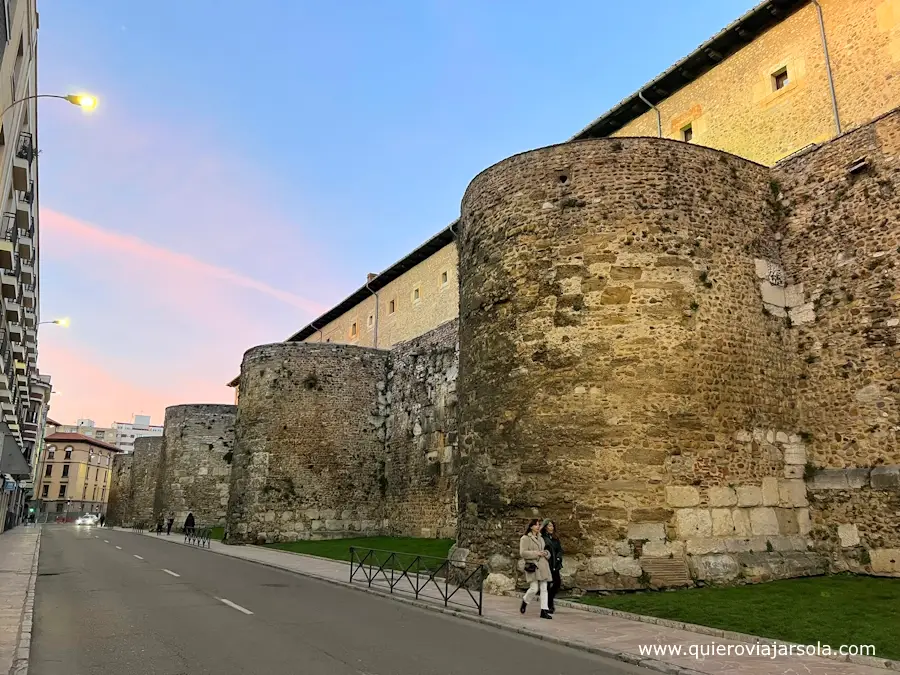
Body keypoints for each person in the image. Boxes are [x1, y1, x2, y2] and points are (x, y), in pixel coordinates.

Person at [519, 518, 553, 620]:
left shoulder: (541, 538)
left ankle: (544, 610)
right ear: (531, 526)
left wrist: (546, 553)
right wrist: (536, 553)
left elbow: (545, 550)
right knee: (534, 588)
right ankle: (525, 600)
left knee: (544, 588)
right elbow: (523, 553)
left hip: (542, 565)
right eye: (536, 525)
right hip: (532, 566)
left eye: (539, 525)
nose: (538, 526)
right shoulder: (525, 538)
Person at [541, 519, 563, 614]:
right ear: (545, 527)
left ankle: (549, 601)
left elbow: (559, 549)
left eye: (552, 526)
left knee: (557, 583)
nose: (551, 528)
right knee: (547, 585)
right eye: (549, 526)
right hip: (547, 564)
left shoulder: (555, 538)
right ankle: (549, 605)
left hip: (555, 564)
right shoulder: (542, 538)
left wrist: (558, 557)